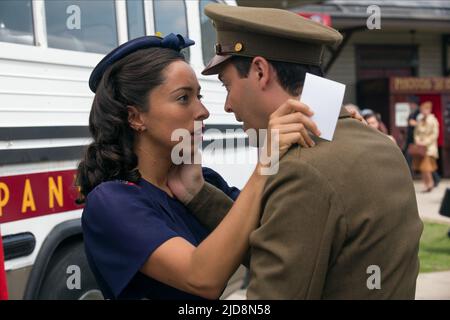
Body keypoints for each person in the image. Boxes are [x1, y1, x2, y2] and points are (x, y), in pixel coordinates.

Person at [172, 4, 423, 299]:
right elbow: (289, 249)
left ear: (260, 71)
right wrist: (200, 195)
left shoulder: (303, 168)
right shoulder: (381, 144)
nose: (227, 105)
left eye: (227, 86)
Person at [78, 33, 321, 300]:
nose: (203, 111)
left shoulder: (201, 181)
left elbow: (279, 239)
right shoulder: (112, 202)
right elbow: (202, 278)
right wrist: (266, 164)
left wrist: (338, 127)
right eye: (184, 98)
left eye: (199, 96)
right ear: (135, 117)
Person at [413, 101, 439, 193]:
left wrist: (425, 142)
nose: (423, 111)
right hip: (420, 148)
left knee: (426, 167)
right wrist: (417, 140)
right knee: (422, 168)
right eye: (422, 109)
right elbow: (416, 132)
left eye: (425, 109)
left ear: (429, 110)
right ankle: (426, 184)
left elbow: (435, 134)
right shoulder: (420, 120)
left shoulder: (433, 120)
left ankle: (430, 184)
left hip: (429, 148)